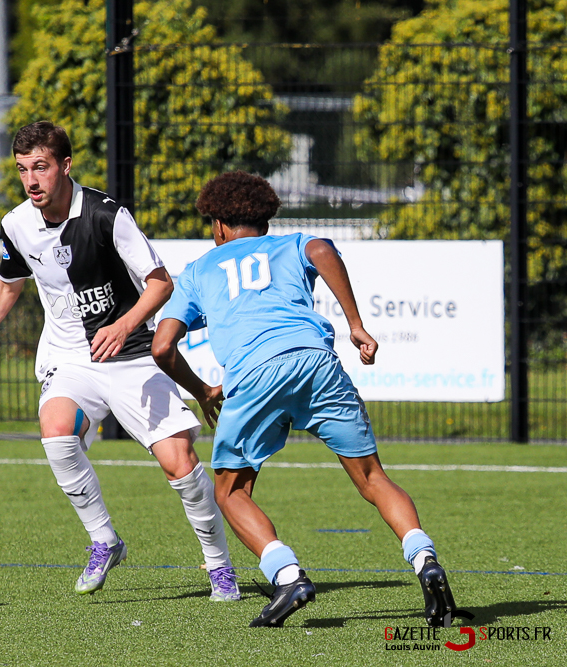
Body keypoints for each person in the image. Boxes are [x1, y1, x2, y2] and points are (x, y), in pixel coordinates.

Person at [0, 121, 240, 600]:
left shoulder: (106, 215)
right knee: (56, 430)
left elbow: (160, 283)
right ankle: (104, 540)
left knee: (179, 463)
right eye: (22, 170)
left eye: (40, 167)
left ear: (65, 165)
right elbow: (7, 286)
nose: (31, 181)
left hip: (131, 354)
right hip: (69, 357)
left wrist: (124, 325)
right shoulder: (17, 224)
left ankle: (219, 566)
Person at [151, 170, 459, 627]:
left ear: (218, 225)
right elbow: (322, 250)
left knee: (231, 490)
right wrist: (355, 324)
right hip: (316, 361)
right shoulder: (291, 244)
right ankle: (424, 559)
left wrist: (203, 392)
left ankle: (288, 575)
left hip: (255, 376)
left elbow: (161, 347)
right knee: (373, 478)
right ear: (266, 222)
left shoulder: (199, 270)